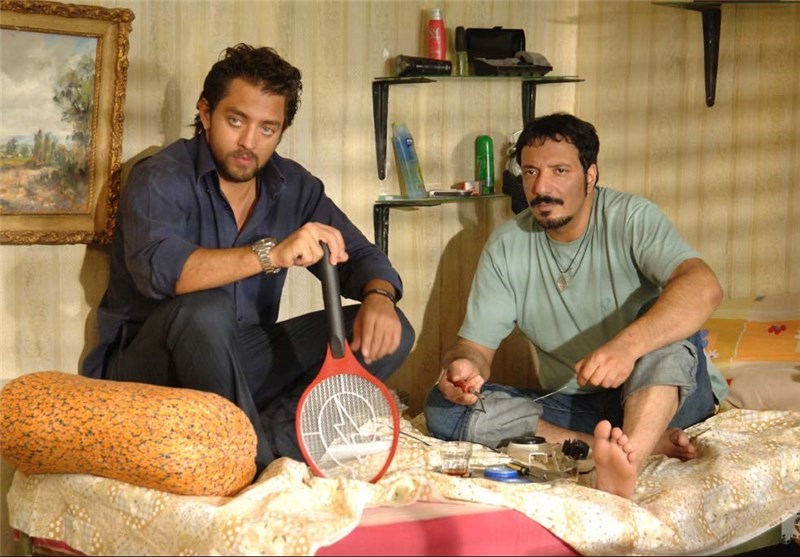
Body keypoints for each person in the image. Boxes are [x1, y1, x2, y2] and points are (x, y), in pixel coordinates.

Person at [84, 43, 415, 480]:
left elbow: (361, 256)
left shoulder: (294, 186)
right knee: (205, 309)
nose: (248, 142)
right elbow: (160, 271)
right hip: (150, 370)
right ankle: (252, 459)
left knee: (391, 328)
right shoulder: (160, 177)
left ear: (282, 130)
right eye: (236, 121)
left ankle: (274, 445)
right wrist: (272, 254)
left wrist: (379, 296)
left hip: (239, 361)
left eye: (267, 128)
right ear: (206, 113)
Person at [424, 112, 728, 499]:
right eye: (531, 172)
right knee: (442, 407)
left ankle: (628, 463)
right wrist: (463, 369)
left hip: (670, 397)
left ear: (590, 175)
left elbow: (704, 287)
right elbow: (475, 350)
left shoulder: (631, 218)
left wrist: (626, 348)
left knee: (662, 320)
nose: (541, 187)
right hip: (580, 407)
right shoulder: (506, 245)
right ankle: (623, 447)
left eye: (560, 171)